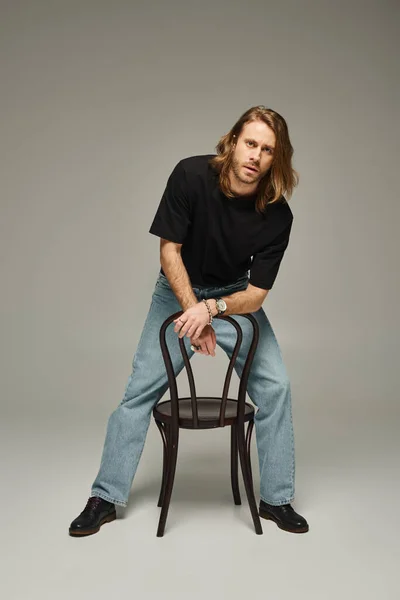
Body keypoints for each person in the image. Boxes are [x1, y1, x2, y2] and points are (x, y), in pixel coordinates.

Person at [69, 105, 309, 537]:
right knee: (138, 393)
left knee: (276, 386)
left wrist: (211, 311)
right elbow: (168, 251)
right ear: (233, 142)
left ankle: (276, 499)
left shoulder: (278, 215)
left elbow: (255, 295)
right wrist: (191, 311)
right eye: (250, 143)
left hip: (232, 298)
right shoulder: (190, 175)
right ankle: (104, 497)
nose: (255, 156)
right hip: (177, 290)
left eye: (267, 150)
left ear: (277, 158)